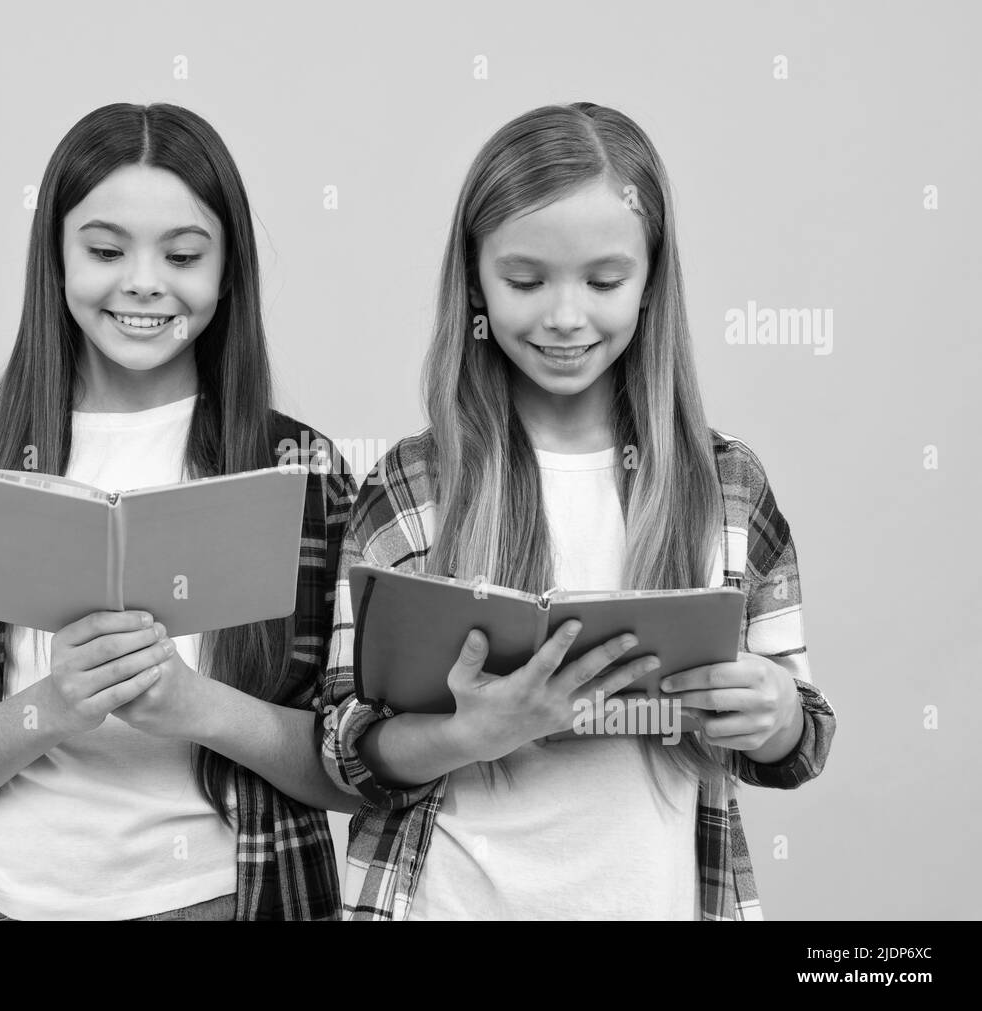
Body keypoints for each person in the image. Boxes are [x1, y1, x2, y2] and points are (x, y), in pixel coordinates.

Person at [319, 102, 836, 921]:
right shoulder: (415, 487)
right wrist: (469, 734)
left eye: (604, 281)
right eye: (525, 281)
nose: (565, 317)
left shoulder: (726, 486)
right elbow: (344, 745)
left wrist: (771, 712)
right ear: (477, 282)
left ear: (651, 280)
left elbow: (801, 738)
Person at [0, 102, 360, 921]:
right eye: (104, 249)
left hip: (238, 897)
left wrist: (197, 705)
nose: (143, 282)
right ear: (55, 260)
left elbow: (349, 770)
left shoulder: (299, 472)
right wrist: (51, 705)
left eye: (184, 254)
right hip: (18, 903)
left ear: (228, 268)